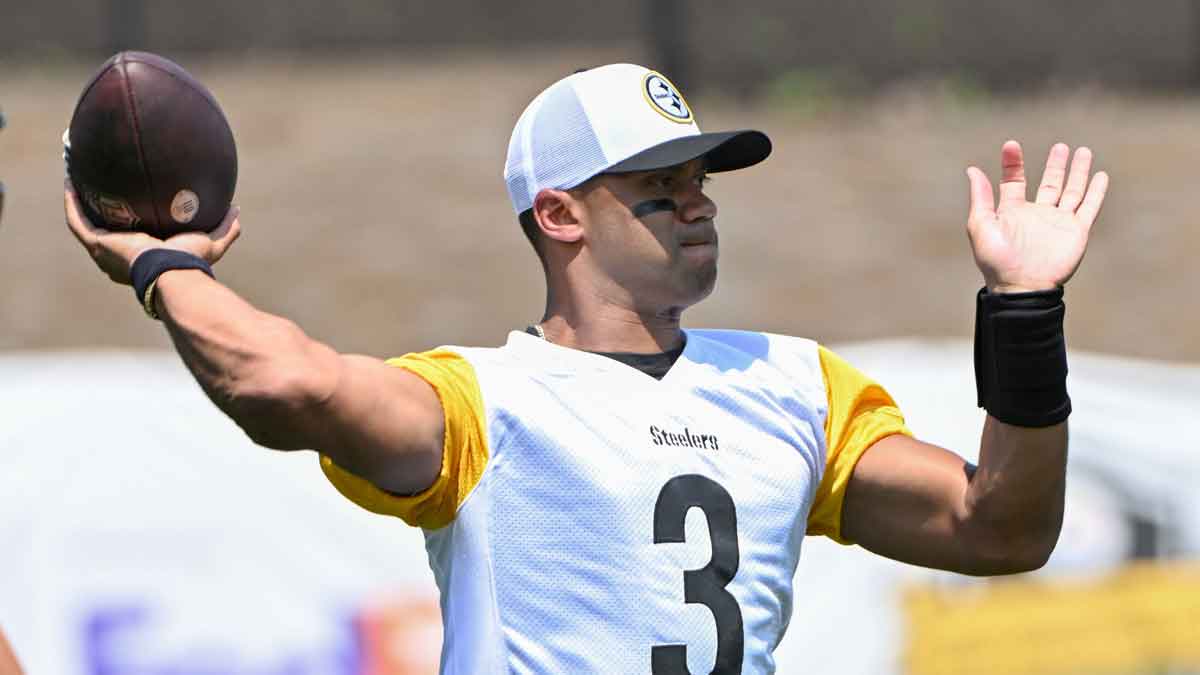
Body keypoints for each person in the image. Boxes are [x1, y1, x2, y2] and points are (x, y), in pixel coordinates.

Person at [64, 63, 1108, 674]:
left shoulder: (796, 387)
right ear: (559, 213)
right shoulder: (481, 404)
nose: (698, 202)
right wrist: (166, 266)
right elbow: (282, 383)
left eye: (702, 180)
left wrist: (1023, 311)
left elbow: (1001, 528)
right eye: (659, 184)